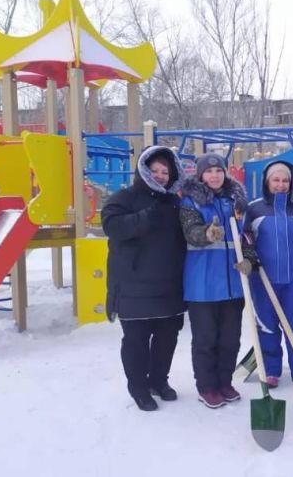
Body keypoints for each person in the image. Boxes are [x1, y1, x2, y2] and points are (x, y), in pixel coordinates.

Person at [102, 146, 187, 412]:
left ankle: (159, 381)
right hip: (133, 285)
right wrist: (146, 217)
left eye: (166, 171)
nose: (161, 176)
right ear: (143, 170)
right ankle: (138, 386)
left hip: (169, 285)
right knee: (136, 340)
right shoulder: (124, 198)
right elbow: (113, 227)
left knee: (167, 338)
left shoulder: (176, 203)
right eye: (155, 171)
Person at [240, 160, 293, 387]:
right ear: (267, 182)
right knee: (266, 326)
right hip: (263, 280)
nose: (281, 184)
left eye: (285, 180)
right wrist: (248, 257)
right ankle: (271, 370)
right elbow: (244, 241)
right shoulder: (254, 209)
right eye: (276, 180)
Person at [179, 153, 248, 409]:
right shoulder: (190, 203)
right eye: (209, 172)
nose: (214, 175)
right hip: (203, 285)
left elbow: (247, 237)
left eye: (219, 170)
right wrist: (206, 233)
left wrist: (248, 258)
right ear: (200, 175)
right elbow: (191, 231)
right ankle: (207, 386)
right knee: (206, 339)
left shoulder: (236, 202)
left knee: (230, 339)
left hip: (232, 282)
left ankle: (224, 382)